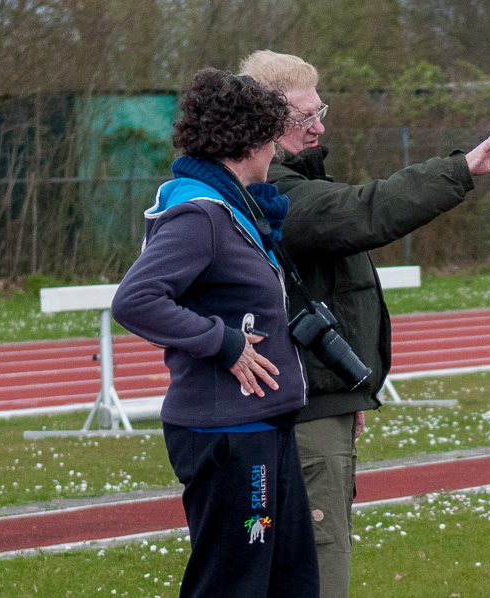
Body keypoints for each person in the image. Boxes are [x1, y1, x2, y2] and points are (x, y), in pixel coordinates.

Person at [238, 50, 490, 597]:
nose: (319, 127)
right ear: (262, 125)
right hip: (298, 412)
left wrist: (346, 395)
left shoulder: (290, 184)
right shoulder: (272, 195)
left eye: (321, 110)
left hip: (317, 402)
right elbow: (365, 211)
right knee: (317, 566)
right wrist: (458, 171)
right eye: (302, 119)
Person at [111, 68, 318, 597]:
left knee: (290, 581)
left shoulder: (241, 211)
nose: (276, 149)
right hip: (228, 433)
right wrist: (222, 342)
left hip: (265, 423)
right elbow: (135, 301)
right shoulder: (201, 214)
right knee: (233, 585)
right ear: (248, 141)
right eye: (272, 137)